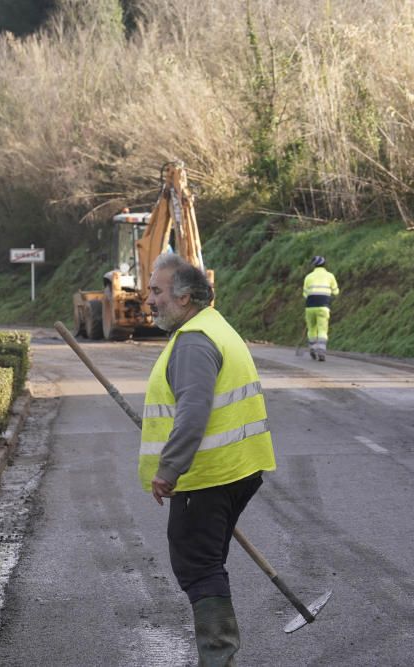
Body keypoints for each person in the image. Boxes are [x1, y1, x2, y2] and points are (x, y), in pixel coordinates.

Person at [142, 254, 276, 666]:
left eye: (157, 291)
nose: (149, 300)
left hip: (208, 476)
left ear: (184, 298)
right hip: (239, 469)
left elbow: (193, 413)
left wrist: (168, 470)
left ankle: (219, 657)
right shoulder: (214, 327)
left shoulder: (194, 341)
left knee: (197, 564)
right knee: (206, 559)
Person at [302, 256, 340, 362]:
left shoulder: (308, 277)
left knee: (311, 329)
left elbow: (305, 294)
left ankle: (313, 349)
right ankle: (321, 351)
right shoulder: (330, 276)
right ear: (325, 264)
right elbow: (336, 292)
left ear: (313, 265)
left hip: (310, 307)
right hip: (323, 307)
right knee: (322, 329)